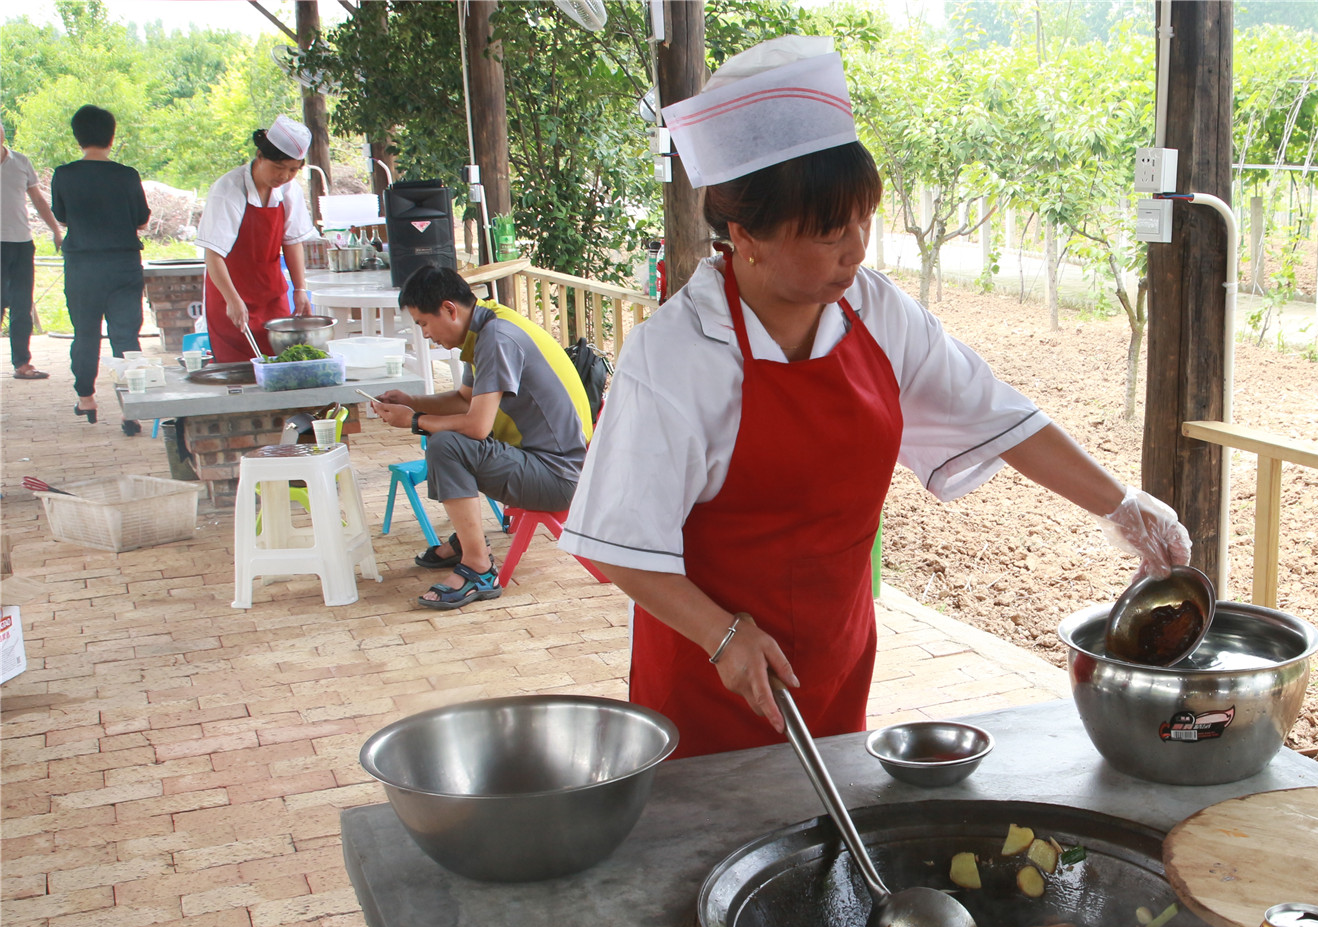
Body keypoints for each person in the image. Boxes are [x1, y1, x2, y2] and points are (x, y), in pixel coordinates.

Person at [560, 37, 1189, 758]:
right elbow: (617, 543)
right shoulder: (676, 354)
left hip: (836, 650)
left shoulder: (876, 312)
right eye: (830, 232)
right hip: (713, 673)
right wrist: (722, 634)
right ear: (745, 237)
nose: (856, 248)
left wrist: (1122, 505)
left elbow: (1000, 415)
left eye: (864, 220)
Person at [367, 266, 594, 611]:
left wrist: (413, 420)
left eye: (424, 323)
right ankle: (468, 540)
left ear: (449, 309)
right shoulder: (488, 325)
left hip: (560, 476)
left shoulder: (496, 338)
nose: (425, 334)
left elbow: (476, 427)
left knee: (446, 444)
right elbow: (464, 399)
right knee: (442, 436)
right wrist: (411, 402)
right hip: (555, 464)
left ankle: (478, 568)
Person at [49, 105, 148, 423]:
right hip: (123, 264)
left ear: (77, 137)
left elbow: (62, 216)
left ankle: (87, 399)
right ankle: (131, 408)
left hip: (83, 267)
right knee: (126, 336)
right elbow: (141, 219)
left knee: (85, 334)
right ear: (111, 136)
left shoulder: (63, 175)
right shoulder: (127, 175)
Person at [195, 115, 317, 365]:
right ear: (260, 157)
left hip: (271, 292)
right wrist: (232, 299)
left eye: (293, 170)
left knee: (282, 362)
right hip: (229, 290)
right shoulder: (228, 189)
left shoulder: (289, 190)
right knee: (239, 369)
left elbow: (292, 241)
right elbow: (213, 255)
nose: (284, 176)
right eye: (278, 168)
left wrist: (300, 289)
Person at [1, 119, 63, 380]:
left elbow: (37, 199)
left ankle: (23, 364)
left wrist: (56, 230)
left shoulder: (20, 162)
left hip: (22, 244)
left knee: (21, 305)